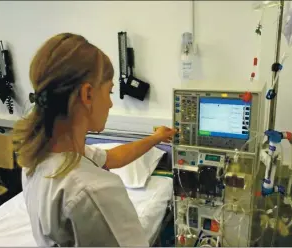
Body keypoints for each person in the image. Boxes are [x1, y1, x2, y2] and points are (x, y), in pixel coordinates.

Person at [12, 33, 175, 247]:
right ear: (87, 95)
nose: (109, 104)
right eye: (109, 92)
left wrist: (156, 138)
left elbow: (113, 157)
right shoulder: (94, 191)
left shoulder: (37, 160)